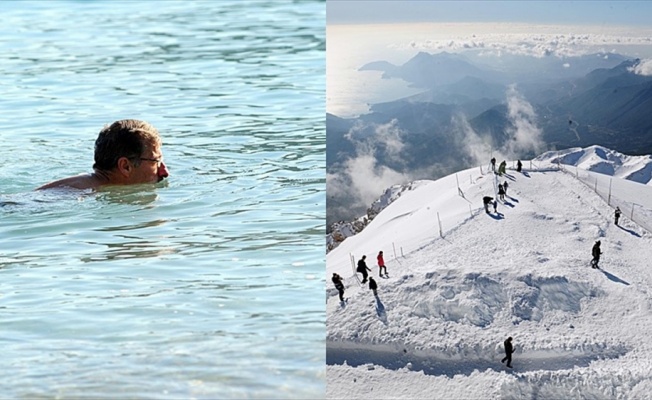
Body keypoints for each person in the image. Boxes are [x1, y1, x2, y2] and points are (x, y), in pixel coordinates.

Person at [37, 119, 169, 190]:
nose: (164, 172)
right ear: (125, 166)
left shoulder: (85, 186)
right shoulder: (74, 195)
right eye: (155, 161)